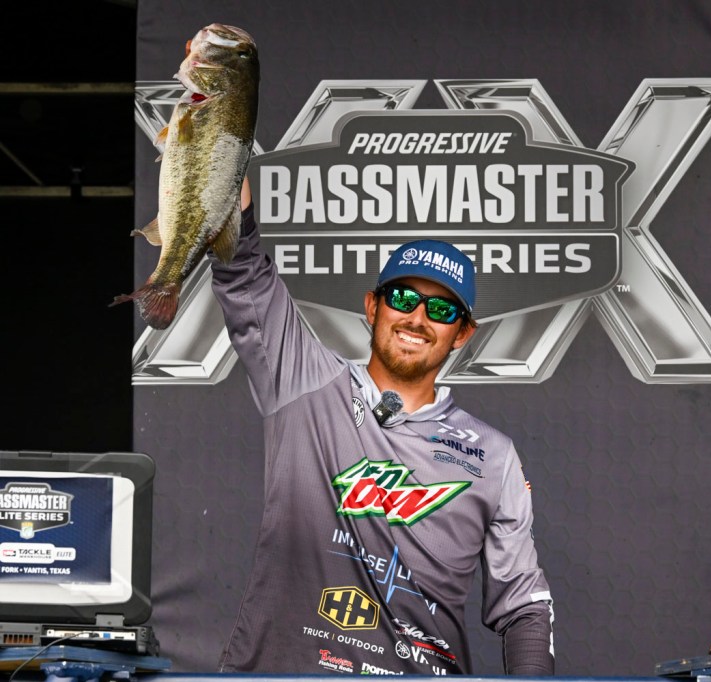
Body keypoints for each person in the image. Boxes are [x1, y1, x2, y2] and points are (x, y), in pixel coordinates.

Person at [208, 178, 554, 675]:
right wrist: (223, 160)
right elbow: (243, 272)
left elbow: (524, 604)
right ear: (373, 307)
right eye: (403, 298)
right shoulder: (303, 381)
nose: (417, 318)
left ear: (462, 333)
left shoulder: (494, 457)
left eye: (441, 309)